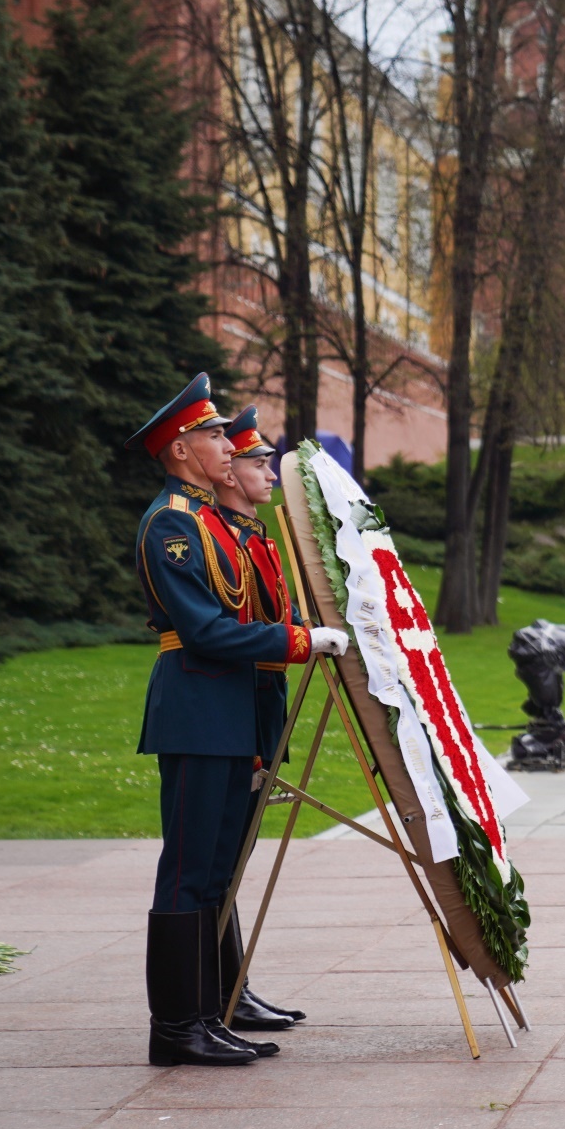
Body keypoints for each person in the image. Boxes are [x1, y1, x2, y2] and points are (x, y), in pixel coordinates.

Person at [127, 374, 347, 1068]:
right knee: (189, 872)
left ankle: (207, 1013)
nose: (228, 446)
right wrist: (300, 642)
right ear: (182, 450)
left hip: (226, 712)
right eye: (215, 435)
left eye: (225, 434)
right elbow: (207, 632)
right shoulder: (171, 525)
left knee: (215, 869)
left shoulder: (210, 522)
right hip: (196, 708)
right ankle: (176, 1027)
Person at [212, 406, 310, 1033]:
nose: (268, 472)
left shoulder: (256, 538)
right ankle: (222, 995)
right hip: (233, 706)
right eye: (256, 462)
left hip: (260, 708)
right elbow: (241, 631)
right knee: (218, 865)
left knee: (231, 864)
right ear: (228, 477)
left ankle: (232, 990)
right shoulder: (215, 534)